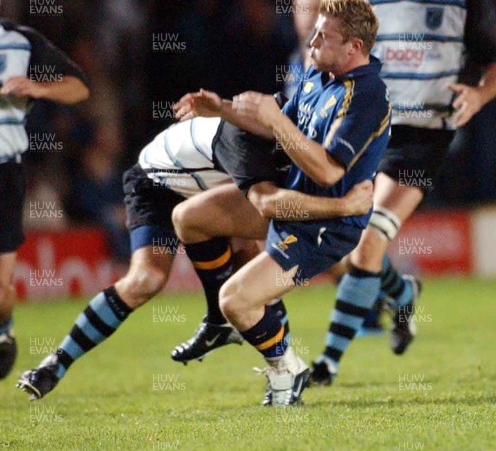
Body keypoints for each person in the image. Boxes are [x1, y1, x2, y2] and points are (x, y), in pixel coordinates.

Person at [17, 103, 373, 400]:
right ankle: (55, 363)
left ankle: (268, 358)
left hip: (201, 189)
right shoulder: (250, 144)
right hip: (155, 184)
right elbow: (266, 203)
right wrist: (342, 209)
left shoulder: (277, 134)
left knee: (250, 264)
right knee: (146, 279)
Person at [310, 0, 496, 386]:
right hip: (364, 132)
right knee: (353, 243)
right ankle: (403, 295)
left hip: (423, 138)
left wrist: (479, 98)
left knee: (369, 241)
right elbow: (324, 59)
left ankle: (328, 363)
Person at [174, 0, 391, 406]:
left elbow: (328, 170)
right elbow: (278, 123)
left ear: (354, 48)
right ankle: (224, 324)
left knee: (236, 299)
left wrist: (275, 120)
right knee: (188, 218)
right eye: (313, 34)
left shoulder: (367, 96)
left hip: (324, 227)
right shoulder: (317, 75)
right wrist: (220, 108)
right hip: (292, 199)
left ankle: (285, 370)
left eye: (323, 37)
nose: (311, 43)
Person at [0, 17, 89, 379]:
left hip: (4, 171)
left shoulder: (21, 41)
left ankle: (3, 328)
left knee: (3, 293)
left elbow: (79, 88)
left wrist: (37, 88)